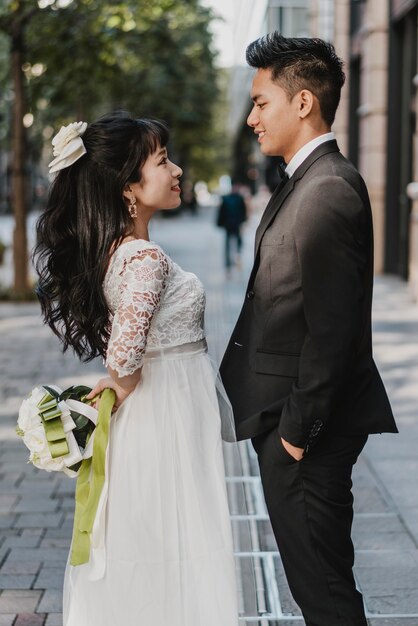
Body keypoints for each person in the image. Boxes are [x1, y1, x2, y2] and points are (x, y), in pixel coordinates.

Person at [220, 33, 397, 626]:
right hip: (295, 429)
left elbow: (333, 331)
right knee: (320, 586)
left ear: (302, 103)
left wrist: (296, 432)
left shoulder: (324, 191)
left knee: (323, 594)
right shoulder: (309, 179)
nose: (251, 118)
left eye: (261, 102)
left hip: (304, 437)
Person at [35, 113, 239, 626]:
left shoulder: (120, 251)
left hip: (162, 411)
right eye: (163, 160)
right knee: (176, 536)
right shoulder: (143, 257)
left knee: (151, 538)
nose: (177, 170)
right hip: (165, 415)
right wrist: (119, 383)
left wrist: (118, 384)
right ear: (128, 187)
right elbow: (124, 354)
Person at [216, 182, 247, 271]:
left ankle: (233, 261)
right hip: (233, 224)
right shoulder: (238, 198)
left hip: (230, 224)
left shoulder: (227, 198)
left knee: (231, 244)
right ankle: (234, 261)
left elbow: (221, 212)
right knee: (235, 243)